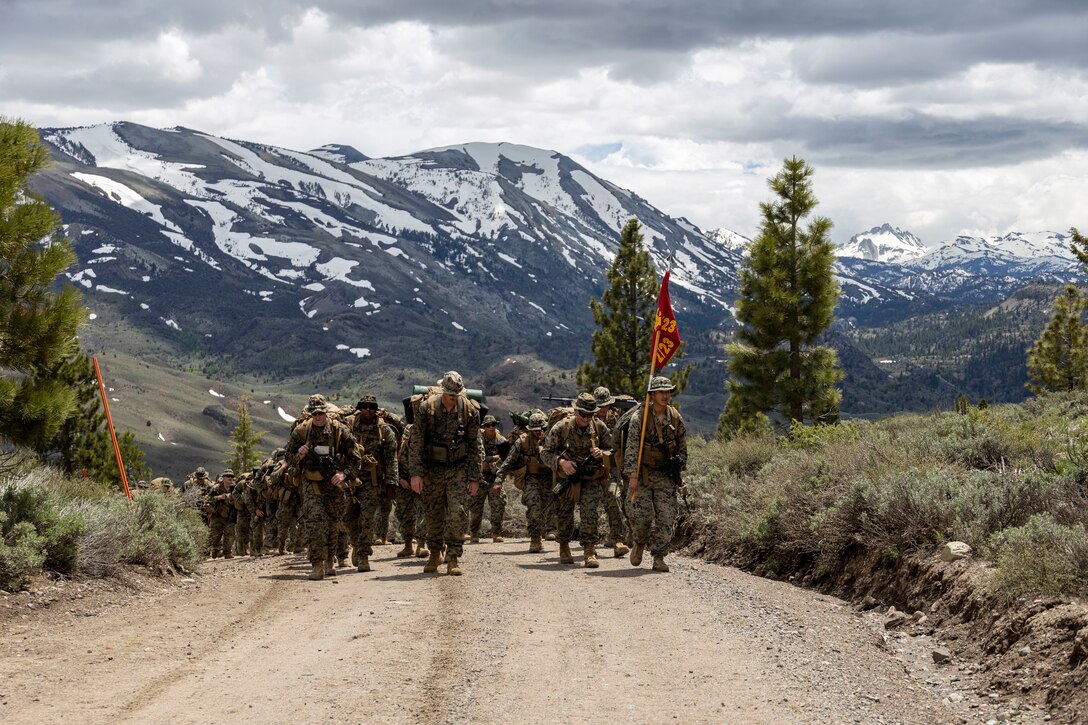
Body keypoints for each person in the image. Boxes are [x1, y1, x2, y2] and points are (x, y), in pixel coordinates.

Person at [409, 371, 483, 576]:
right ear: (443, 390)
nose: (453, 397)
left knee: (457, 512)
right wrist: (416, 473)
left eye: (456, 394)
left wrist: (475, 477)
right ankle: (435, 553)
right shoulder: (427, 409)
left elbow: (475, 445)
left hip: (458, 468)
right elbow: (416, 443)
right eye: (450, 393)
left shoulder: (469, 410)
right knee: (433, 513)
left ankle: (453, 556)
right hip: (433, 469)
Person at [285, 399, 362, 581]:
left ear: (326, 413)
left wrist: (343, 474)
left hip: (334, 484)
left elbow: (355, 458)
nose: (318, 417)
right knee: (315, 522)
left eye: (321, 413)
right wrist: (300, 454)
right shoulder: (302, 432)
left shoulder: (339, 431)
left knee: (334, 523)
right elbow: (288, 457)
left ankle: (329, 559)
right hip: (312, 483)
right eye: (314, 414)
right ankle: (317, 564)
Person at [624, 375, 687, 573]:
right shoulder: (640, 418)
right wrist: (633, 477)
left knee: (667, 517)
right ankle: (639, 542)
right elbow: (632, 448)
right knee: (642, 517)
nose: (665, 395)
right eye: (661, 392)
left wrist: (679, 468)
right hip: (643, 474)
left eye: (668, 391)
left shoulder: (675, 417)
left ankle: (659, 556)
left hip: (665, 475)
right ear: (652, 394)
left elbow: (682, 447)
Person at [540, 392, 611, 568]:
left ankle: (589, 550)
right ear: (576, 411)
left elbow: (614, 452)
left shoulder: (599, 427)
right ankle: (564, 545)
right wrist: (561, 462)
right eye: (583, 414)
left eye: (590, 414)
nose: (586, 418)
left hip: (591, 478)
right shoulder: (561, 428)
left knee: (590, 513)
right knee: (564, 514)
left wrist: (602, 454)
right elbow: (545, 453)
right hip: (567, 479)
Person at [346, 395, 399, 572]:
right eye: (364, 406)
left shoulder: (384, 430)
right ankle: (355, 543)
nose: (368, 409)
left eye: (371, 406)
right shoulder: (347, 425)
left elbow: (392, 458)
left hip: (372, 480)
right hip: (349, 478)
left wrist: (391, 482)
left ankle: (363, 555)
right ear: (359, 407)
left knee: (367, 517)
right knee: (349, 515)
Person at [494, 410, 551, 553]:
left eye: (541, 429)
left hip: (548, 479)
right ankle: (535, 538)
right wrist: (498, 480)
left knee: (546, 509)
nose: (539, 433)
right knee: (534, 505)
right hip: (530, 478)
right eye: (535, 430)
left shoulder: (551, 439)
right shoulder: (522, 442)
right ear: (530, 429)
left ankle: (546, 531)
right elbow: (508, 461)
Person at [592, 386, 629, 557]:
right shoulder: (587, 419)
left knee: (614, 499)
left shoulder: (617, 417)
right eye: (600, 405)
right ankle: (589, 544)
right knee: (590, 506)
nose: (603, 409)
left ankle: (617, 540)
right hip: (591, 469)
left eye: (606, 405)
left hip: (612, 468)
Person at [468, 414, 509, 543]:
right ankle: (474, 533)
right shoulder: (477, 439)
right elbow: (475, 456)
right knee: (475, 506)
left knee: (498, 504)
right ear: (483, 427)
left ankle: (496, 533)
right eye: (487, 425)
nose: (490, 428)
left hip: (494, 478)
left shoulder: (501, 441)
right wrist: (492, 459)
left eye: (493, 425)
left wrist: (489, 463)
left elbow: (506, 459)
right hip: (479, 477)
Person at [394, 423, 428, 558]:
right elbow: (393, 466)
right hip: (404, 486)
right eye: (409, 439)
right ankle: (408, 545)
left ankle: (421, 544)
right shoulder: (400, 450)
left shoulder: (424, 450)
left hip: (422, 486)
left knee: (423, 513)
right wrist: (400, 480)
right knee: (404, 514)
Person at [202, 470, 236, 559]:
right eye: (228, 476)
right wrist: (218, 497)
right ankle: (215, 550)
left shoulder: (235, 487)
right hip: (217, 515)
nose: (230, 478)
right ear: (223, 478)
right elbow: (208, 499)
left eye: (232, 477)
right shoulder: (216, 488)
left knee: (230, 534)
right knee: (215, 535)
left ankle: (227, 552)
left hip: (230, 515)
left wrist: (229, 497)